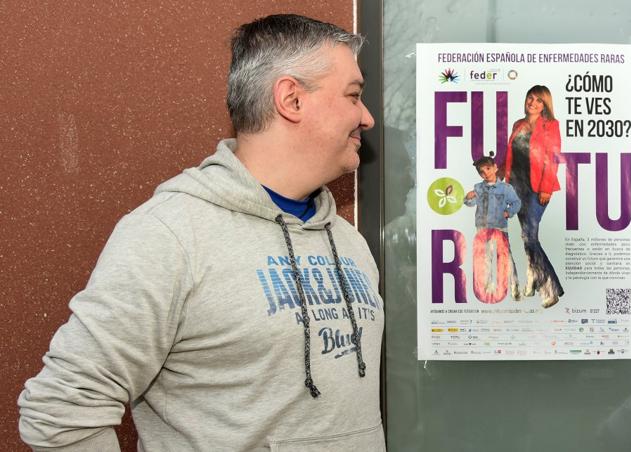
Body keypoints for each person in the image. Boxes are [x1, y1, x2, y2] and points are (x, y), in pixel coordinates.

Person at [18, 14, 385, 451]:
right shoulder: (169, 235)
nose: (367, 118)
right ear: (292, 99)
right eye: (353, 95)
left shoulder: (348, 242)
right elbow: (60, 411)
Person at [501, 85, 565, 308]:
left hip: (538, 187)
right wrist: (500, 172)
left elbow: (553, 158)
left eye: (539, 101)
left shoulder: (551, 126)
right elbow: (512, 154)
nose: (533, 103)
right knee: (526, 236)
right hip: (516, 186)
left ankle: (551, 289)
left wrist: (547, 187)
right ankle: (538, 281)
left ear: (545, 105)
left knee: (530, 237)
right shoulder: (518, 124)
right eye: (531, 98)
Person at [464, 153, 522, 303]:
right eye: (481, 172)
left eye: (488, 169)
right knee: (485, 259)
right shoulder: (478, 188)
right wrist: (468, 198)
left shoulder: (505, 188)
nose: (486, 173)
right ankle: (488, 289)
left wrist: (508, 212)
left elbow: (516, 203)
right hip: (482, 229)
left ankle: (515, 288)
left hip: (499, 228)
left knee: (506, 259)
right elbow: (471, 204)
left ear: (495, 168)